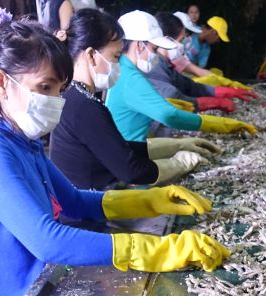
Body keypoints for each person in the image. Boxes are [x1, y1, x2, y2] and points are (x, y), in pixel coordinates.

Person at [0, 7, 228, 296]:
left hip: (37, 283)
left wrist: (151, 199)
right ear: (1, 83)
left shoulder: (23, 141)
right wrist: (153, 250)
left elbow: (76, 200)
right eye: (45, 87)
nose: (56, 100)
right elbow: (48, 240)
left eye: (59, 89)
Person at [49, 8, 219, 190]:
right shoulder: (82, 105)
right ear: (91, 55)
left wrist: (176, 145)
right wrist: (181, 163)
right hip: (87, 211)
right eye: (115, 57)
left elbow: (119, 147)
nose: (118, 64)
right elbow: (131, 170)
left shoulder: (78, 95)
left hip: (92, 195)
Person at [105, 11, 255, 143]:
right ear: (138, 45)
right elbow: (169, 116)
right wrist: (223, 125)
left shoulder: (123, 68)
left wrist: (226, 92)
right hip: (129, 153)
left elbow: (188, 85)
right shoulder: (131, 78)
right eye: (155, 48)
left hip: (131, 144)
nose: (156, 54)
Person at [144, 13, 234, 113]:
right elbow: (174, 97)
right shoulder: (153, 65)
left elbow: (187, 84)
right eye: (182, 39)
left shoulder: (164, 62)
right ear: (165, 39)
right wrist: (215, 103)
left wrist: (220, 90)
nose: (184, 43)